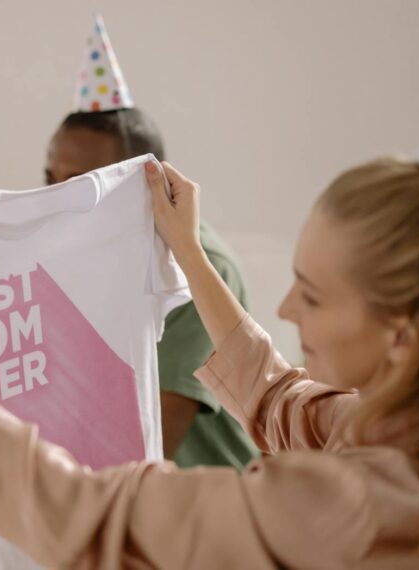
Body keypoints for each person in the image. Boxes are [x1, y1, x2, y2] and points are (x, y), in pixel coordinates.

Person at [0, 145, 419, 565]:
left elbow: (92, 516)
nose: (289, 308)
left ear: (404, 340)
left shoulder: (354, 507)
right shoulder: (418, 429)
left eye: (315, 296)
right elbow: (282, 398)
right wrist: (187, 251)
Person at [45, 15, 259, 468]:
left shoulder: (202, 266)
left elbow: (150, 440)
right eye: (51, 178)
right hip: (108, 492)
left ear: (145, 180)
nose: (56, 198)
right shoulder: (70, 256)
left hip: (204, 502)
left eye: (80, 183)